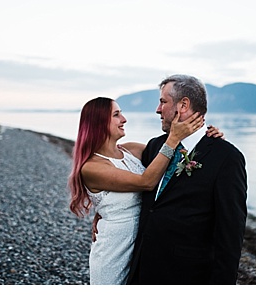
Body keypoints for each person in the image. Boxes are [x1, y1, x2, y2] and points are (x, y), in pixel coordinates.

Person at [67, 96, 212, 284]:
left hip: (144, 246)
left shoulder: (132, 150)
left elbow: (179, 156)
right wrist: (173, 138)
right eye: (116, 115)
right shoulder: (92, 167)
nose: (124, 119)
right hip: (114, 251)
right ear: (99, 122)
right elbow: (147, 182)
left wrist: (208, 139)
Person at [126, 74, 248, 285]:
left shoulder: (226, 157)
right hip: (142, 269)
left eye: (163, 102)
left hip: (187, 276)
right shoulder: (156, 146)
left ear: (183, 104)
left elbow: (230, 233)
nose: (157, 109)